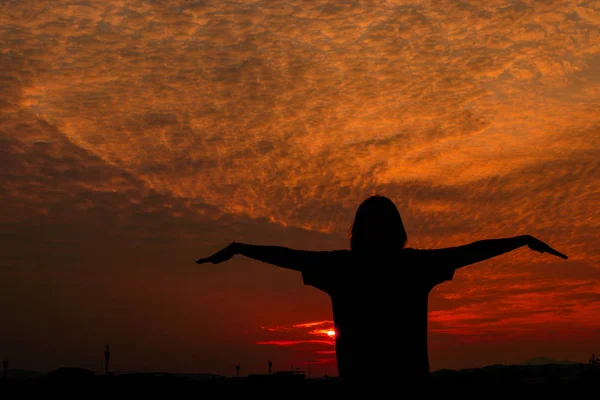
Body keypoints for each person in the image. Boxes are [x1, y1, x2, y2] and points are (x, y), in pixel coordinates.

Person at [195, 195, 568, 384]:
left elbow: (289, 255)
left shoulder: (343, 266)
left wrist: (241, 249)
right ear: (399, 229)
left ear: (357, 230)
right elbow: (473, 250)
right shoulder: (414, 266)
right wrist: (521, 239)